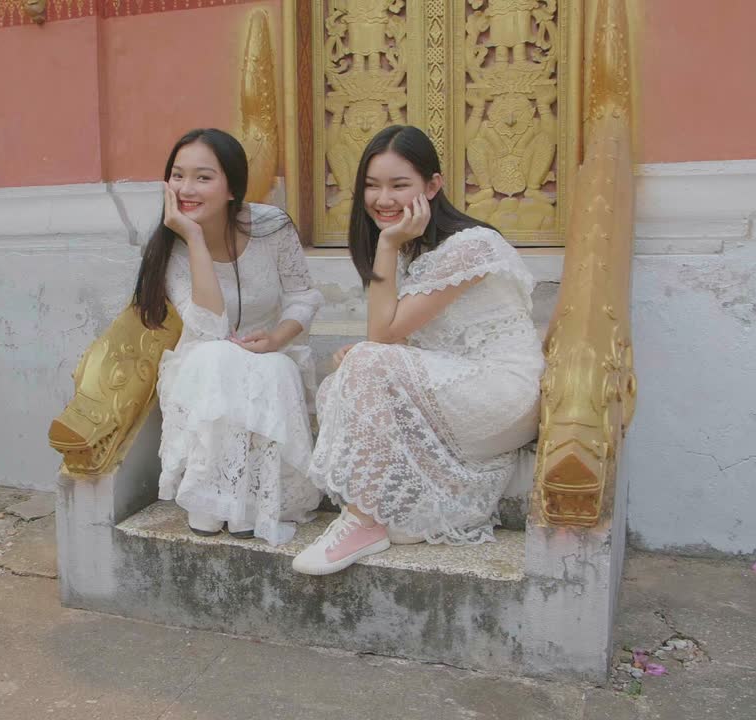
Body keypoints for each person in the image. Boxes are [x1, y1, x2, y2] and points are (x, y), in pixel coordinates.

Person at [294, 125, 544, 575]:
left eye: (398, 185)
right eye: (371, 186)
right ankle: (400, 512)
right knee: (340, 385)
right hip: (459, 386)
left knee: (367, 362)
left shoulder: (470, 246)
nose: (382, 198)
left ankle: (363, 521)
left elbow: (383, 335)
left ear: (433, 186)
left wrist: (386, 245)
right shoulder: (413, 253)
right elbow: (393, 335)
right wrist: (370, 354)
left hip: (502, 392)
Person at [132, 128, 324, 546]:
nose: (187, 188)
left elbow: (302, 296)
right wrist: (194, 237)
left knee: (273, 368)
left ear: (232, 187)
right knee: (216, 356)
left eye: (203, 177)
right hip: (202, 369)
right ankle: (214, 499)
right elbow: (209, 329)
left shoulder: (272, 228)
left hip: (269, 354)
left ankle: (252, 501)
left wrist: (278, 337)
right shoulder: (171, 248)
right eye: (177, 176)